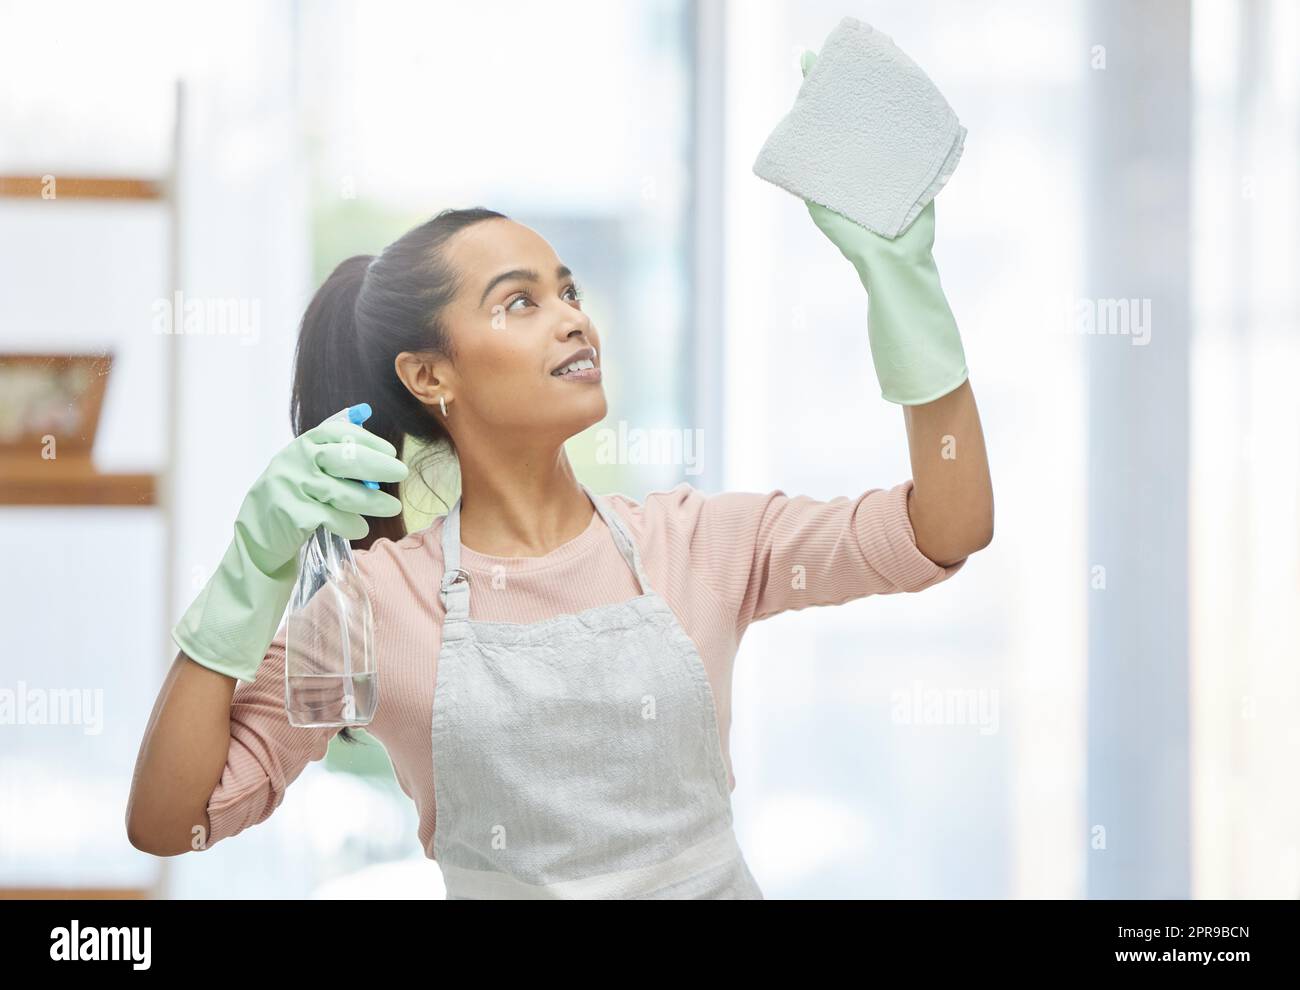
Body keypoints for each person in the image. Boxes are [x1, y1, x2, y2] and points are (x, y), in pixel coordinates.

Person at [126, 198, 992, 899]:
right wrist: (254, 570)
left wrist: (905, 290)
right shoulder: (377, 604)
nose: (573, 321)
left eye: (569, 292)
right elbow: (172, 820)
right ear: (431, 376)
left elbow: (942, 529)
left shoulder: (696, 543)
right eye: (520, 302)